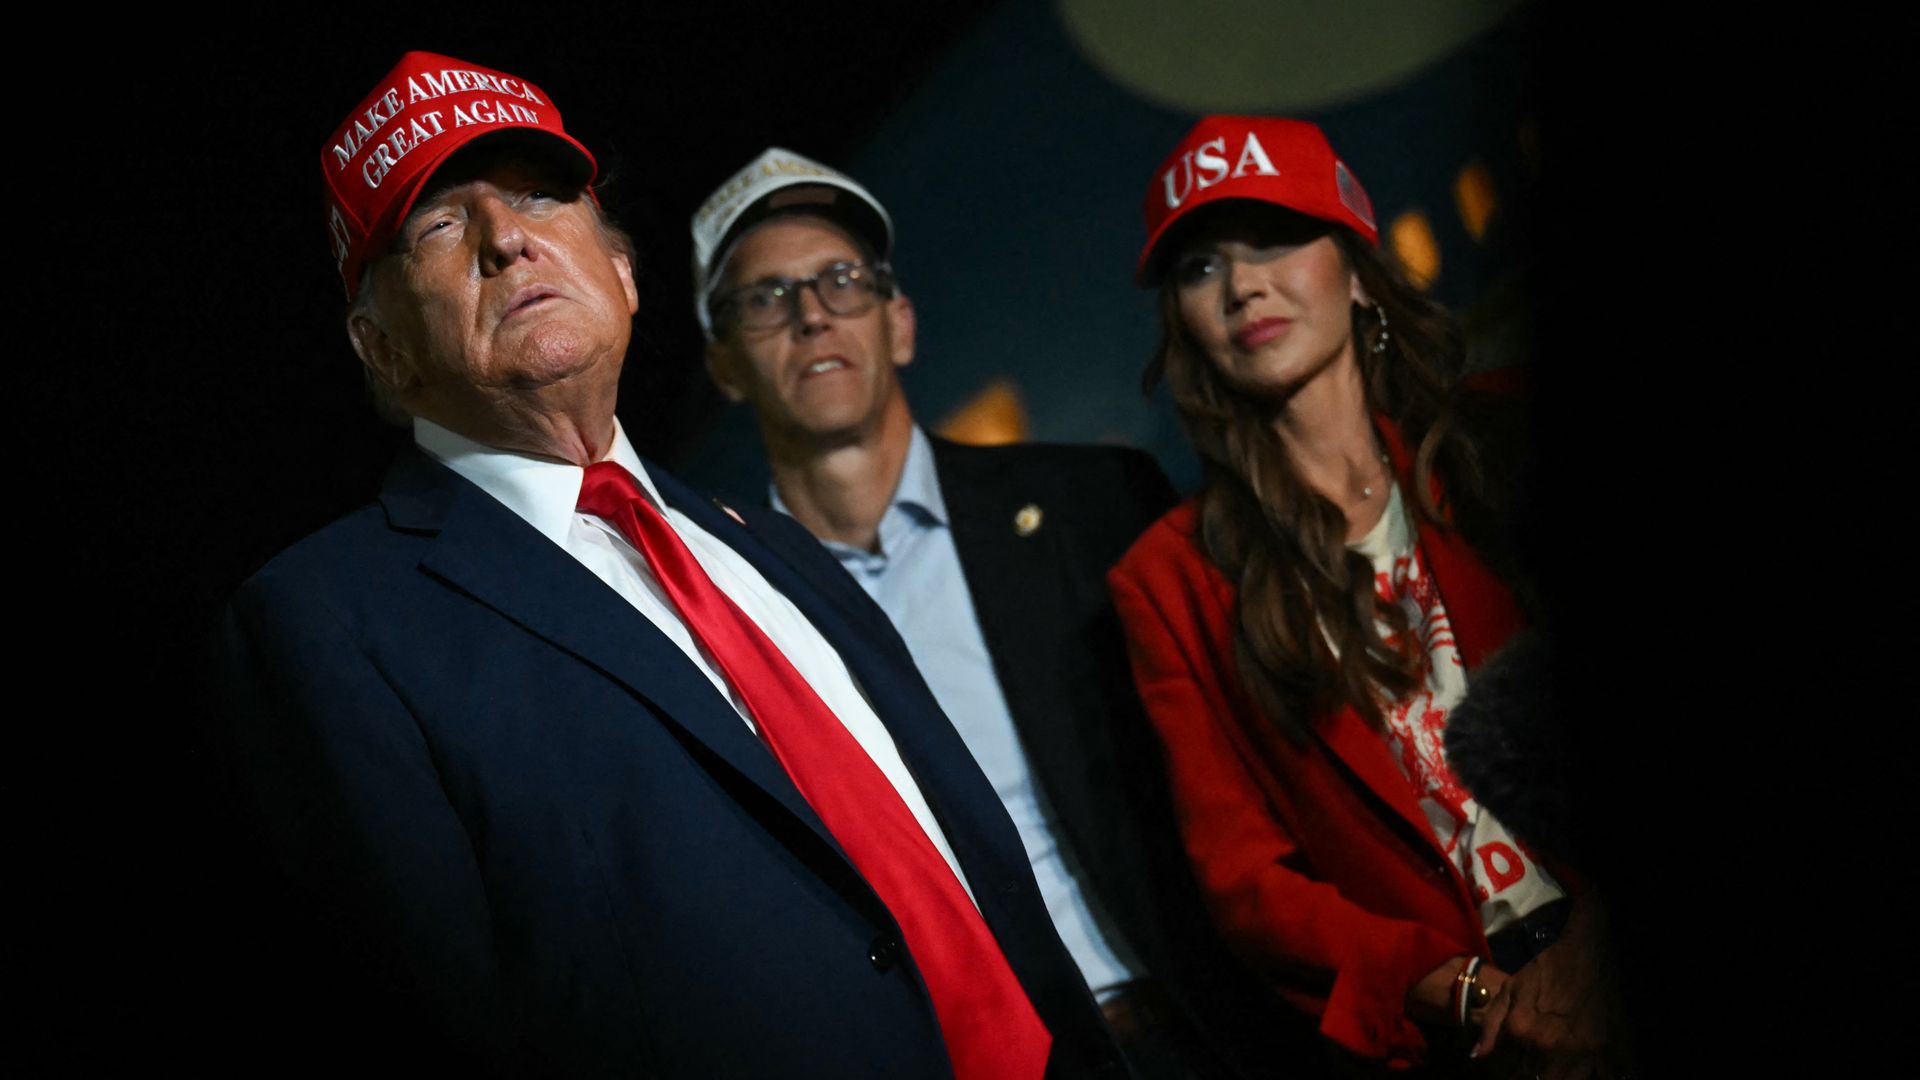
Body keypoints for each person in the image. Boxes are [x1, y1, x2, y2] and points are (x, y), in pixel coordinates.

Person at [218, 51, 1127, 1080]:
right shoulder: (330, 625)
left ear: (625, 273)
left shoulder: (765, 545)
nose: (506, 238)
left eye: (539, 195)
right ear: (380, 345)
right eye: (436, 223)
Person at [689, 148, 1300, 1080]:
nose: (812, 313)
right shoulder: (726, 623)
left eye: (842, 281)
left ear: (900, 323)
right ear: (723, 365)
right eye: (766, 299)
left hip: (1216, 1028)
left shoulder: (1097, 504)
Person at [1106, 117, 1619, 1077]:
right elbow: (1246, 881)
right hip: (1468, 1035)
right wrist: (1465, 992)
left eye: (1274, 238)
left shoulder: (1503, 438)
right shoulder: (1169, 581)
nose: (1243, 284)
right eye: (1200, 266)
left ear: (1351, 263)